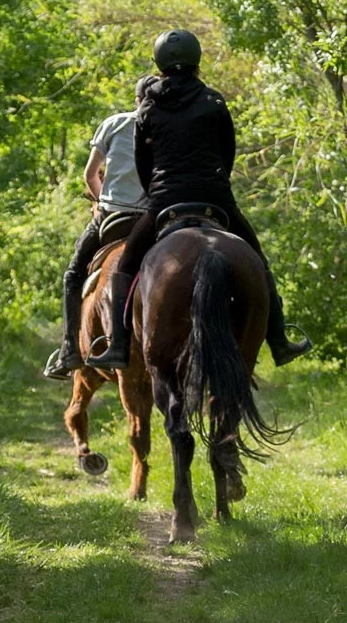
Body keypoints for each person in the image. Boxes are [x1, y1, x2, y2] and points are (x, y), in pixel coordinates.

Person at [83, 29, 312, 371]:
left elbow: (144, 164)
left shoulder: (148, 107)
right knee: (258, 260)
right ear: (197, 60)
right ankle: (278, 339)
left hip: (165, 201)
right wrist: (215, 186)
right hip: (214, 198)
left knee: (128, 263)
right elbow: (227, 153)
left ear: (159, 63)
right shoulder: (214, 101)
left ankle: (117, 345)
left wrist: (158, 194)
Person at [43, 78, 151, 380]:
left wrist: (100, 196)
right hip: (153, 218)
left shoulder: (115, 123)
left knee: (74, 273)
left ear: (136, 99)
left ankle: (70, 351)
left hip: (112, 217)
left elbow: (90, 175)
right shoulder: (165, 127)